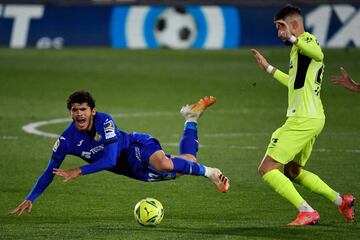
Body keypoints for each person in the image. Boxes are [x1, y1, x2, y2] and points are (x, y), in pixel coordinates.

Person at [10, 91, 229, 216]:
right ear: (70, 113)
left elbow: (110, 159)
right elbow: (50, 171)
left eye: (83, 109)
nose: (79, 114)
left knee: (163, 163)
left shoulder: (105, 121)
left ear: (92, 111)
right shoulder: (66, 141)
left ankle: (211, 173)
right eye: (75, 110)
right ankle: (191, 118)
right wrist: (31, 198)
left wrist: (80, 170)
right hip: (131, 170)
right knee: (187, 162)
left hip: (136, 145)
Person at [251, 5, 355, 226]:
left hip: (303, 118)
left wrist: (295, 39)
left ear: (294, 25)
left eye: (281, 27)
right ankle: (341, 201)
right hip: (314, 117)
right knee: (293, 171)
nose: (279, 33)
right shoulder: (299, 49)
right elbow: (294, 84)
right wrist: (268, 68)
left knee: (267, 169)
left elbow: (319, 53)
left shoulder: (307, 40)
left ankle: (306, 211)